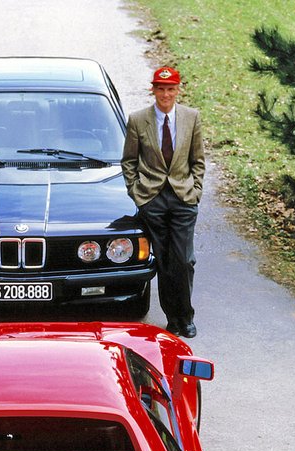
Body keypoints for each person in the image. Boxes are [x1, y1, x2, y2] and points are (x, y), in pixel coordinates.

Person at [121, 66, 205, 337]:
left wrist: (195, 192)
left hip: (183, 197)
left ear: (178, 90)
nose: (166, 94)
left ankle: (186, 315)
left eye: (171, 89)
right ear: (154, 90)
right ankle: (172, 318)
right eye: (161, 88)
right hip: (152, 198)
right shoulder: (138, 120)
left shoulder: (191, 118)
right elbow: (129, 161)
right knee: (164, 261)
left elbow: (198, 160)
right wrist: (137, 193)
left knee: (183, 260)